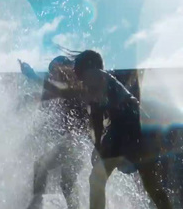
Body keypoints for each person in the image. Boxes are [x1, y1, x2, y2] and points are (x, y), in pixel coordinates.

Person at [43, 50, 172, 209]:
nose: (75, 71)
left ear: (86, 66)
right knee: (152, 187)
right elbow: (98, 112)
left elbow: (96, 115)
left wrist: (98, 145)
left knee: (97, 178)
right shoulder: (101, 79)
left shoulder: (94, 75)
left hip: (125, 129)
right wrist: (99, 145)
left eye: (77, 67)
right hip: (140, 129)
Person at [19, 56, 89, 209]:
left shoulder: (75, 86)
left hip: (74, 143)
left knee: (41, 166)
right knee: (67, 186)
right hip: (78, 146)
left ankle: (36, 205)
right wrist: (30, 98)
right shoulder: (71, 88)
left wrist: (32, 75)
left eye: (53, 71)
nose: (51, 76)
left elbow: (57, 91)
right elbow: (51, 94)